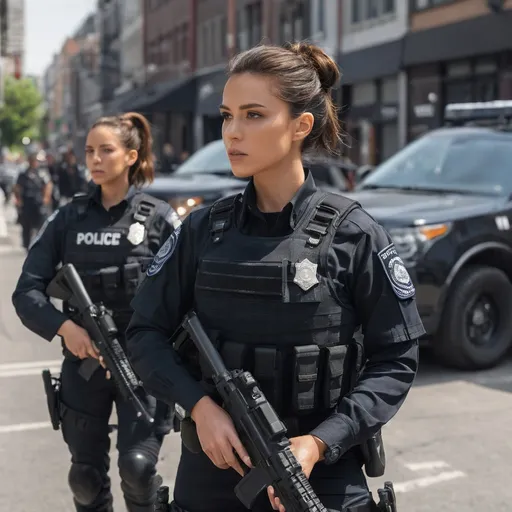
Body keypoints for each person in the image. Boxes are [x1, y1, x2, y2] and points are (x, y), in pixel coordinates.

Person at [126, 42, 424, 512]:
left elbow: (397, 358)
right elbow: (144, 333)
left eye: (253, 115)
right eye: (227, 116)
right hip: (214, 466)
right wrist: (201, 410)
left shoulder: (354, 233)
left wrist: (322, 442)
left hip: (319, 473)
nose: (232, 133)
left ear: (301, 125)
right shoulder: (202, 230)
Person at [12, 112, 182, 512]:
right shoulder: (68, 219)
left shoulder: (158, 218)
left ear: (131, 156)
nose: (95, 159)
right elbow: (26, 292)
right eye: (90, 151)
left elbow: (186, 297)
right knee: (85, 478)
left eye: (106, 150)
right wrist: (64, 328)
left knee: (138, 470)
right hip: (84, 362)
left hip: (142, 365)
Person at [13, 152, 53, 250]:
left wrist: (46, 198)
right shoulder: (23, 174)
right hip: (27, 202)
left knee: (41, 225)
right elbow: (17, 188)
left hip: (38, 202)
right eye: (32, 160)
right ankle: (27, 244)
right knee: (26, 226)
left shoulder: (42, 173)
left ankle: (40, 244)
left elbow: (48, 186)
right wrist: (18, 200)